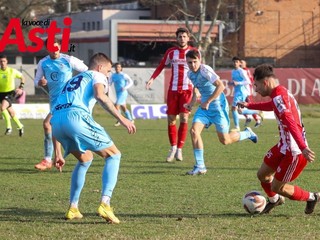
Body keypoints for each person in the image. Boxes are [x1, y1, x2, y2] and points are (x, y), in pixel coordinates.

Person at [50, 52, 136, 223]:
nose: (109, 74)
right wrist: (122, 118)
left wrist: (57, 153)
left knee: (85, 159)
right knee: (114, 155)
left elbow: (55, 117)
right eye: (109, 70)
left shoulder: (71, 82)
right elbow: (100, 95)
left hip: (57, 123)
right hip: (76, 118)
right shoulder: (97, 75)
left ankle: (73, 208)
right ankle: (105, 204)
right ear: (100, 67)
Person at [237, 64, 318, 214]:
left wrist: (302, 147)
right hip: (283, 145)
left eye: (256, 85)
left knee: (277, 187)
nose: (256, 90)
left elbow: (290, 122)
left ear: (265, 83)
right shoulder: (278, 94)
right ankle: (275, 200)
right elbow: (272, 105)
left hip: (294, 151)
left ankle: (312, 197)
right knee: (262, 175)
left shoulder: (279, 96)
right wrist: (249, 105)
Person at [184, 50, 258, 175]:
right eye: (190, 63)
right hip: (204, 109)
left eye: (195, 62)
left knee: (225, 140)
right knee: (193, 131)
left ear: (199, 60)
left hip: (218, 107)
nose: (193, 65)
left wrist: (208, 101)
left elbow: (220, 86)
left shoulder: (205, 70)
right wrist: (191, 104)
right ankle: (200, 166)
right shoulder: (190, 74)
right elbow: (196, 90)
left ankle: (247, 133)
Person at [33, 38, 88, 171]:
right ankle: (62, 157)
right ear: (47, 49)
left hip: (68, 100)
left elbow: (87, 71)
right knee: (61, 128)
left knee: (48, 125)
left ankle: (48, 159)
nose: (55, 50)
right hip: (54, 101)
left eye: (56, 47)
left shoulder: (68, 60)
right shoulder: (43, 63)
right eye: (51, 48)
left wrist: (77, 84)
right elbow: (36, 81)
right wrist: (40, 82)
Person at [146, 27, 197, 162]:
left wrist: (198, 88)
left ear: (188, 37)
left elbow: (198, 69)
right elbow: (162, 65)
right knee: (171, 120)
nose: (182, 39)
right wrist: (152, 78)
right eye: (180, 36)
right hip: (173, 90)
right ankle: (173, 147)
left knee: (185, 119)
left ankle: (180, 149)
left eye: (184, 36)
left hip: (187, 90)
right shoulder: (171, 52)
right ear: (177, 38)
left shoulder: (194, 52)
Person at [229, 56, 261, 131]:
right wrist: (231, 83)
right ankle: (257, 112)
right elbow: (235, 82)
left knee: (233, 108)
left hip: (241, 92)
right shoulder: (233, 71)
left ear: (240, 63)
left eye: (236, 62)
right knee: (239, 111)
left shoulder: (242, 71)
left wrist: (238, 83)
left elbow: (248, 81)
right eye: (234, 62)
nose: (235, 63)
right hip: (237, 92)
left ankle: (237, 127)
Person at [0, 55, 25, 136]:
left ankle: (9, 127)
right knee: (11, 113)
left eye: (4, 61)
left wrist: (21, 87)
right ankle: (20, 126)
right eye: (1, 61)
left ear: (7, 62)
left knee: (2, 107)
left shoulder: (12, 71)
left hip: (10, 93)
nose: (2, 63)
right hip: (1, 93)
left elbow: (22, 77)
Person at [109, 62, 134, 127]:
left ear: (121, 68)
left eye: (119, 67)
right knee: (124, 108)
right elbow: (109, 82)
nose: (117, 68)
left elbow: (131, 82)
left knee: (116, 106)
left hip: (123, 93)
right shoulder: (113, 75)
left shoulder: (124, 75)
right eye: (116, 67)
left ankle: (119, 120)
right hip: (118, 93)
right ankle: (131, 119)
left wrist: (125, 87)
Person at [240, 59, 263, 128]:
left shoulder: (245, 70)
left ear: (245, 64)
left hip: (247, 91)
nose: (240, 64)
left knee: (248, 105)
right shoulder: (240, 71)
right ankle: (249, 117)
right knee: (240, 105)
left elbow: (250, 80)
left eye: (242, 63)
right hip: (242, 91)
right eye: (240, 62)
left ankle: (257, 118)